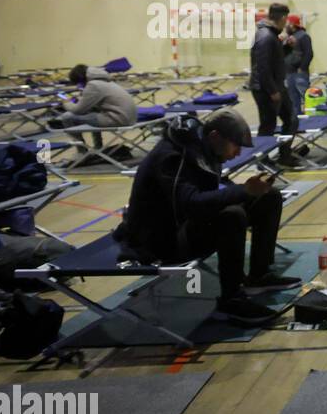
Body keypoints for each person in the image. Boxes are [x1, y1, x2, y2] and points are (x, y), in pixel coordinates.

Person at [113, 109, 300, 325]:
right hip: (160, 242)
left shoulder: (200, 147)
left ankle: (259, 275)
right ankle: (231, 301)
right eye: (236, 145)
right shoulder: (173, 157)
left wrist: (246, 192)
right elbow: (190, 203)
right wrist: (243, 191)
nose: (238, 152)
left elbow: (207, 193)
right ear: (214, 137)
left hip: (181, 225)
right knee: (232, 216)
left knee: (269, 197)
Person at [248, 2, 300, 167]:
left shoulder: (271, 35)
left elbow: (274, 60)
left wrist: (287, 48)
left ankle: (284, 155)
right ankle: (262, 161)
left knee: (291, 119)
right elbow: (262, 68)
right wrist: (272, 91)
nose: (288, 24)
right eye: (287, 20)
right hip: (266, 89)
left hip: (276, 86)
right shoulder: (265, 36)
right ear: (283, 18)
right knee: (268, 125)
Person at [50, 64, 138, 154]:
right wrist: (83, 100)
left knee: (67, 117)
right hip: (127, 118)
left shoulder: (93, 85)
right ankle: (98, 147)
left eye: (78, 83)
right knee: (94, 113)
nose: (79, 86)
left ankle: (81, 150)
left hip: (118, 119)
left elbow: (78, 110)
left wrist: (66, 103)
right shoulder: (105, 81)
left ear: (80, 79)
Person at [284, 14, 313, 119]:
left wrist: (302, 68)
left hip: (299, 73)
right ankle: (298, 121)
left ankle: (313, 119)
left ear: (292, 25)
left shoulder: (303, 36)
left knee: (306, 98)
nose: (285, 26)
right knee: (293, 99)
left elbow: (309, 53)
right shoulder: (289, 37)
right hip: (289, 73)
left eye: (287, 24)